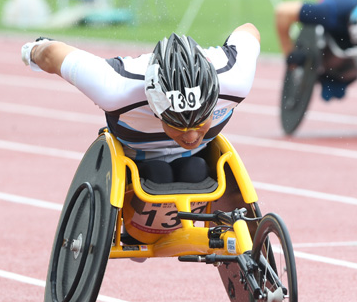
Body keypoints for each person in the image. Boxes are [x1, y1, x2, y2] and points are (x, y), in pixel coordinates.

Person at [20, 24, 260, 184]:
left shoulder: (234, 78)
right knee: (159, 175)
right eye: (177, 125)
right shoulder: (115, 88)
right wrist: (32, 50)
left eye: (199, 122)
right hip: (137, 159)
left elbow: (249, 30)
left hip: (201, 157)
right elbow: (53, 54)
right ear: (154, 107)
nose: (190, 137)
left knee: (197, 171)